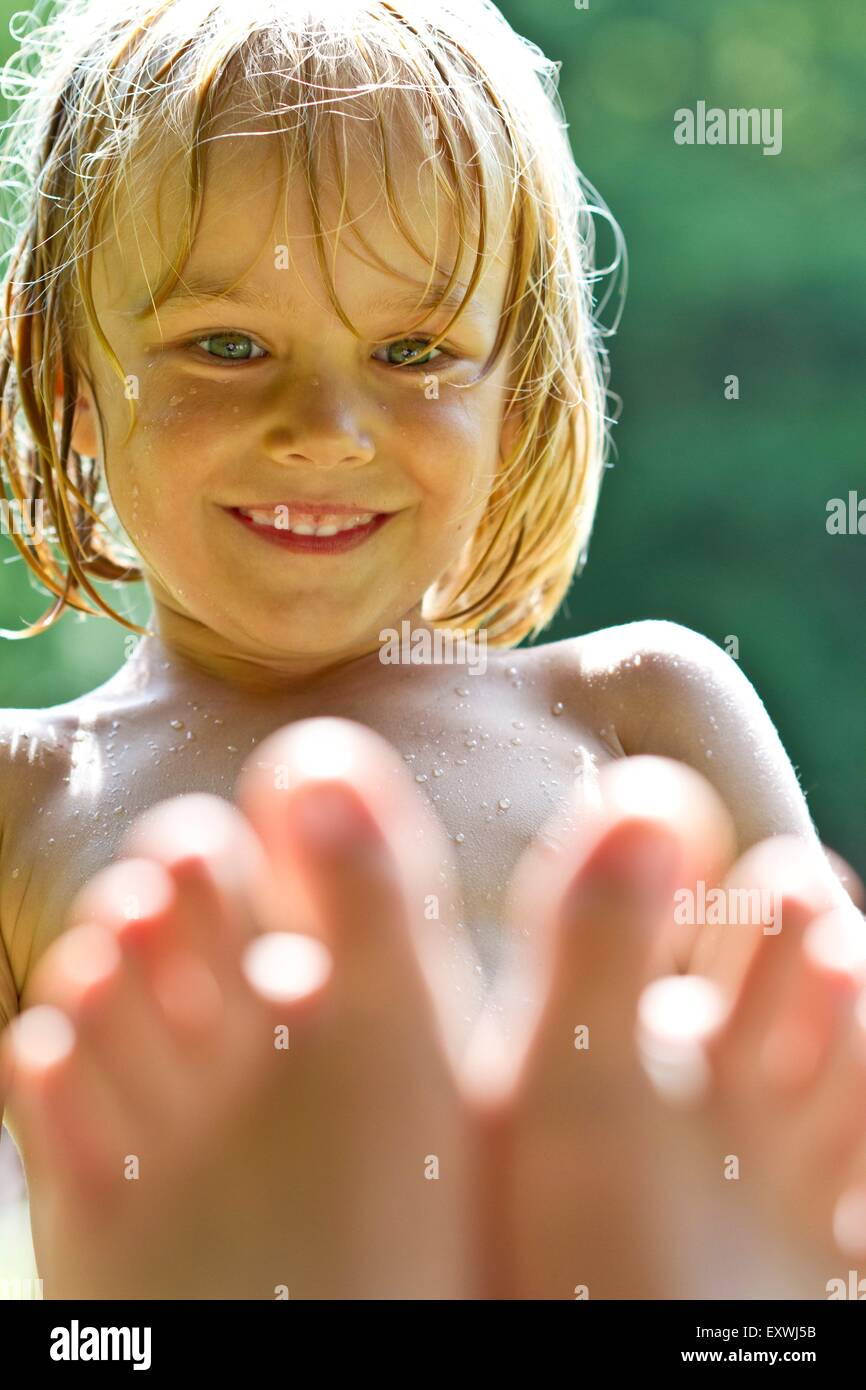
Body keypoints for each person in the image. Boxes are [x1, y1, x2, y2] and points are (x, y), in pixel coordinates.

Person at [0, 0, 862, 1299]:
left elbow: (820, 1084)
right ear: (62, 373)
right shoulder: (26, 799)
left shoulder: (641, 711)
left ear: (516, 397)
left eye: (414, 353)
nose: (328, 426)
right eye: (226, 345)